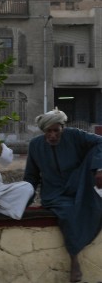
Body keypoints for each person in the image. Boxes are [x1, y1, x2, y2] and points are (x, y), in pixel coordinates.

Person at [24, 108, 102, 282]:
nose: (52, 135)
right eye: (48, 131)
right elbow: (31, 177)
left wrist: (100, 168)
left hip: (78, 184)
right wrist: (24, 202)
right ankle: (74, 259)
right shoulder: (35, 145)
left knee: (94, 205)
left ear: (62, 128)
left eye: (56, 131)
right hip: (54, 194)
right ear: (43, 131)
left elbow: (100, 142)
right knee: (67, 213)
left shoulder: (74, 135)